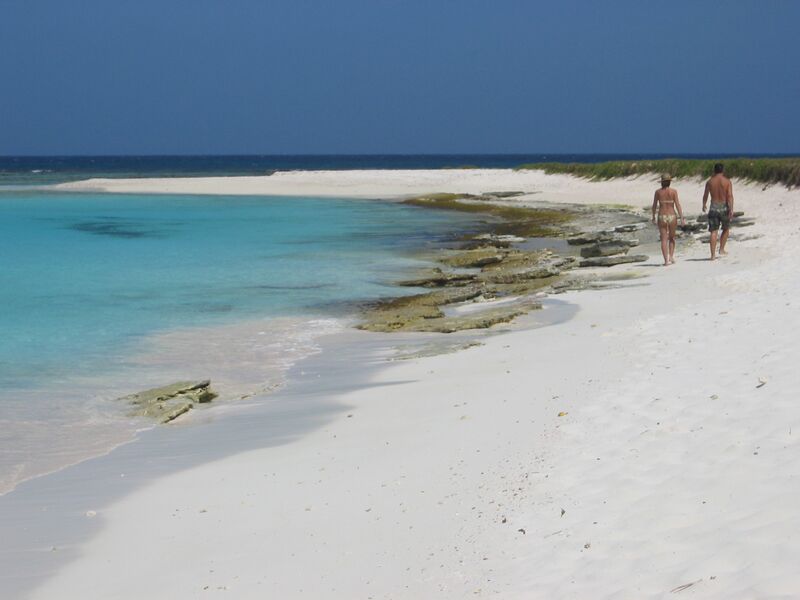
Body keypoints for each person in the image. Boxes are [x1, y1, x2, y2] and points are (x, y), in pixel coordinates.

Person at [702, 163, 734, 260]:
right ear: (722, 170)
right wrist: (731, 208)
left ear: (714, 171)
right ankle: (721, 249)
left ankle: (712, 255)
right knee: (726, 229)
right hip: (724, 207)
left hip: (713, 207)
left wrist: (703, 204)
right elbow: (730, 196)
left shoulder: (710, 182)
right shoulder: (727, 181)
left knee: (713, 231)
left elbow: (705, 195)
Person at [651, 173, 685, 266]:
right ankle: (671, 256)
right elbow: (677, 205)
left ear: (662, 182)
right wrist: (681, 217)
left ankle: (666, 261)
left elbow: (654, 205)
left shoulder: (658, 192)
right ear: (669, 182)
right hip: (672, 215)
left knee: (663, 239)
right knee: (672, 238)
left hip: (662, 216)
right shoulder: (673, 191)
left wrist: (653, 216)